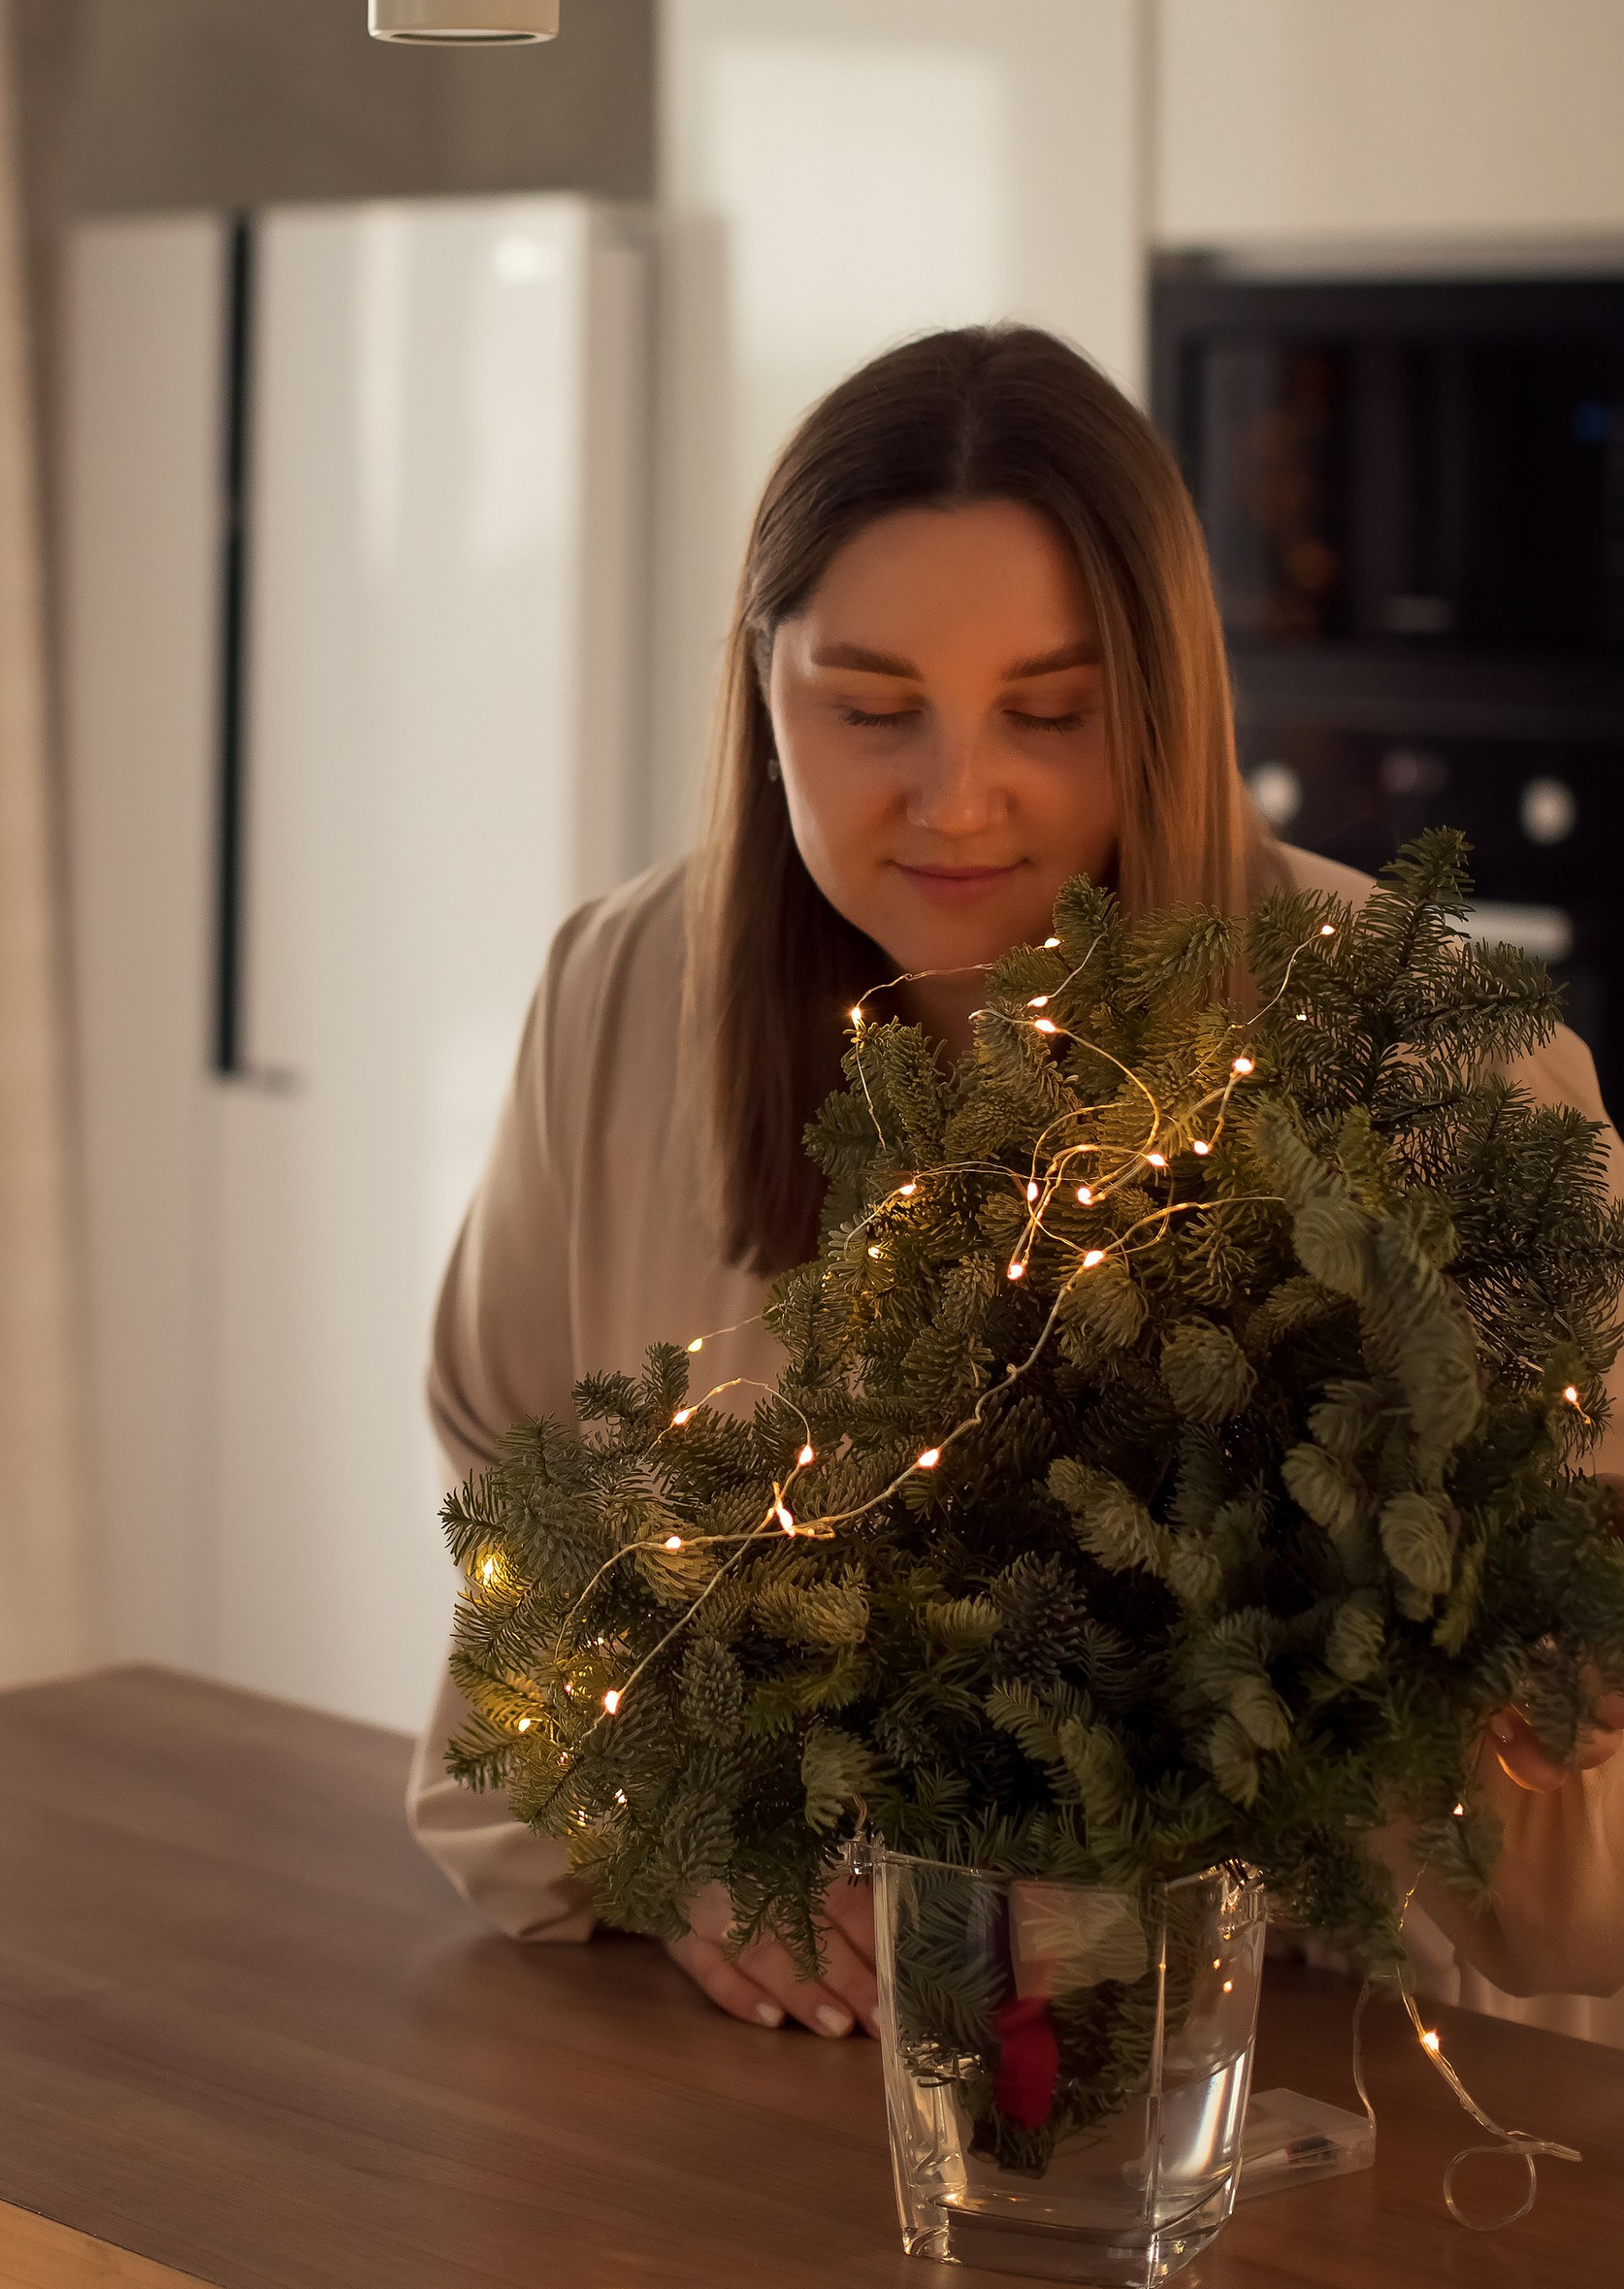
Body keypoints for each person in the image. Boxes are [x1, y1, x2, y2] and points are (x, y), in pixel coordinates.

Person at [409, 323, 1624, 2043]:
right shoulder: (625, 993)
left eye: (1049, 712)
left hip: (1340, 2111)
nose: (956, 795)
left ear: (1165, 700)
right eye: (871, 709)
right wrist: (685, 1851)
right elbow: (523, 1570)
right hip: (815, 2093)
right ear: (763, 690)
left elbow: (1582, 1881)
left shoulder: (1427, 1048)